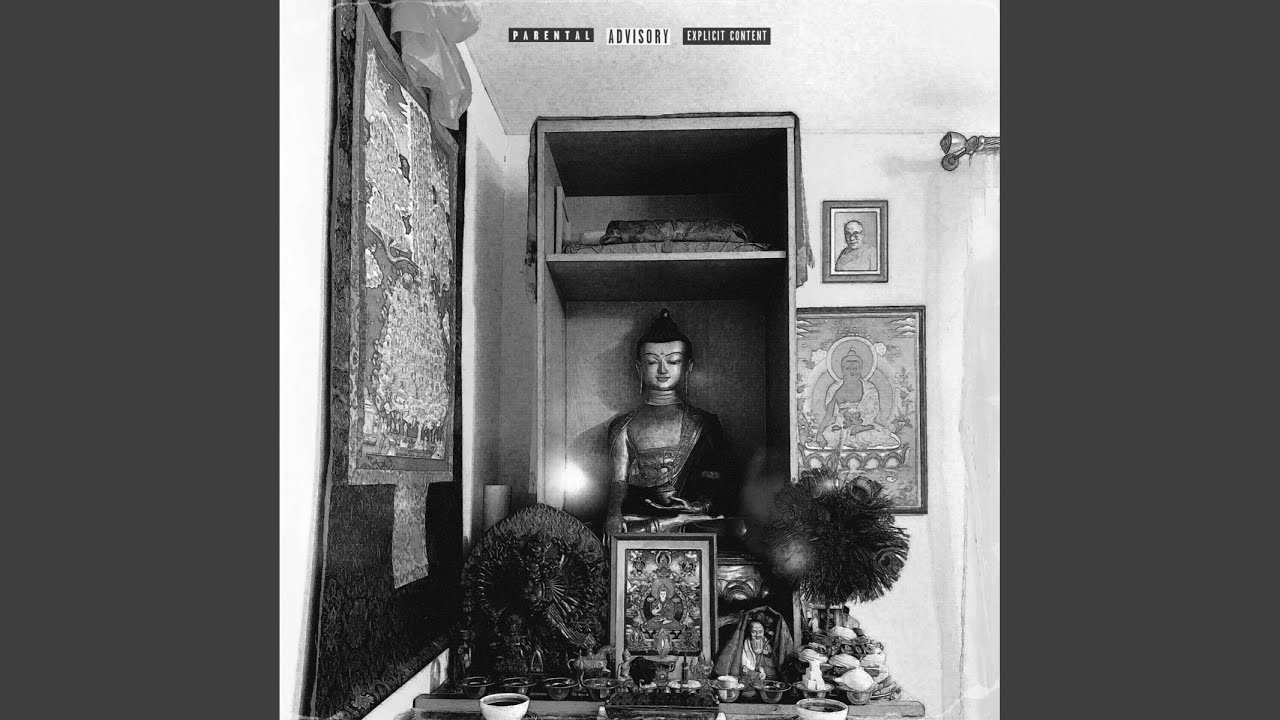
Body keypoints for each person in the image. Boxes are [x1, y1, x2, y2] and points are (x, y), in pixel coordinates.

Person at [604, 309, 729, 536]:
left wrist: (699, 505)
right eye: (652, 362)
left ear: (688, 366)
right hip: (642, 517)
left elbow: (717, 479)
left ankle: (673, 523)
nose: (662, 370)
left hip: (693, 518)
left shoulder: (703, 423)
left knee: (737, 527)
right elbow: (618, 481)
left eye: (673, 361)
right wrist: (613, 514)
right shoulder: (623, 425)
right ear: (639, 367)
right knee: (622, 531)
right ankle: (666, 525)